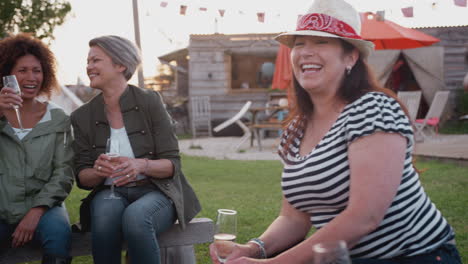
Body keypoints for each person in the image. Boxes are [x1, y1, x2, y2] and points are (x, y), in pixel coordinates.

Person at [209, 0, 462, 263]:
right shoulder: (296, 129)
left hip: (416, 256)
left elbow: (364, 217)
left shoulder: (373, 109)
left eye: (321, 42)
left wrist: (273, 263)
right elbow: (293, 218)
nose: (306, 52)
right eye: (299, 43)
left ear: (351, 57)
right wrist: (253, 249)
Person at [71, 35, 201, 264]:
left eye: (96, 60)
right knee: (103, 215)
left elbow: (172, 164)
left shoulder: (150, 101)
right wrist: (98, 171)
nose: (89, 66)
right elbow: (82, 177)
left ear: (121, 65)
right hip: (110, 193)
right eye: (88, 61)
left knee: (137, 217)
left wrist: (141, 165)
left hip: (156, 190)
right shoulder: (82, 116)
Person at [0, 33, 74, 263]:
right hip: (2, 207)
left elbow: (63, 172)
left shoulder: (58, 118)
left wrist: (36, 211)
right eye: (22, 70)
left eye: (37, 70)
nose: (31, 77)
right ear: (6, 75)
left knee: (59, 234)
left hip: (44, 208)